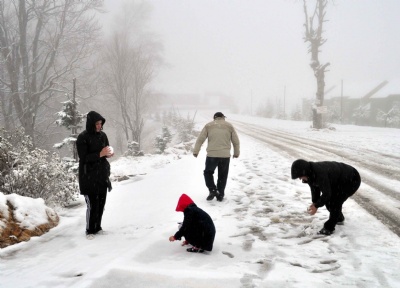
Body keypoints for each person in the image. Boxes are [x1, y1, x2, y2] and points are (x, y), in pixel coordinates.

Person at [291, 159, 361, 235]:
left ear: (305, 171)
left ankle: (329, 228)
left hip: (351, 179)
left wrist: (317, 205)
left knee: (335, 202)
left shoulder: (319, 173)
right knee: (329, 202)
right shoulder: (310, 173)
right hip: (338, 180)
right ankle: (338, 218)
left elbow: (327, 194)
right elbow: (314, 188)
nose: (300, 179)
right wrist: (315, 203)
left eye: (300, 176)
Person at [76, 111, 114, 240]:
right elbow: (83, 158)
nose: (99, 126)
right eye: (97, 123)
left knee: (101, 203)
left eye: (100, 123)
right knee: (92, 204)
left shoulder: (103, 135)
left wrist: (108, 154)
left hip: (101, 175)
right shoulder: (83, 137)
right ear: (91, 123)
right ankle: (90, 230)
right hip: (88, 176)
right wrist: (100, 154)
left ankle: (98, 227)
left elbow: (106, 150)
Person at [193, 112, 240, 202]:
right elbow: (236, 141)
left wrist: (196, 151)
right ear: (223, 117)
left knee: (208, 173)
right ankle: (220, 195)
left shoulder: (209, 125)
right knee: (223, 175)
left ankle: (213, 190)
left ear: (214, 117)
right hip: (225, 156)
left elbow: (200, 139)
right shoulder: (229, 126)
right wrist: (236, 153)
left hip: (212, 155)